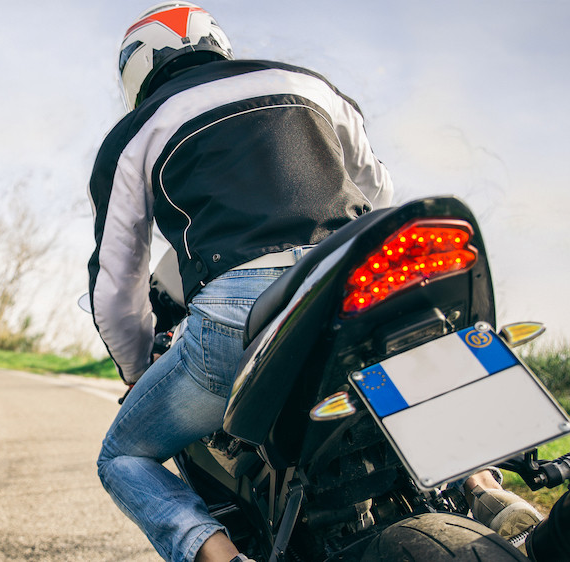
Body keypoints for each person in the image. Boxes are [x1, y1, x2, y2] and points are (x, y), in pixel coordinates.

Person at [87, 4, 535, 561]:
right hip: (347, 275)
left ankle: (221, 557)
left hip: (242, 305)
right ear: (216, 43)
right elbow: (378, 190)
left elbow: (115, 287)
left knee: (123, 455)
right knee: (418, 369)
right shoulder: (307, 84)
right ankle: (485, 489)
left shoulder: (135, 133)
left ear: (134, 71)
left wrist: (136, 372)